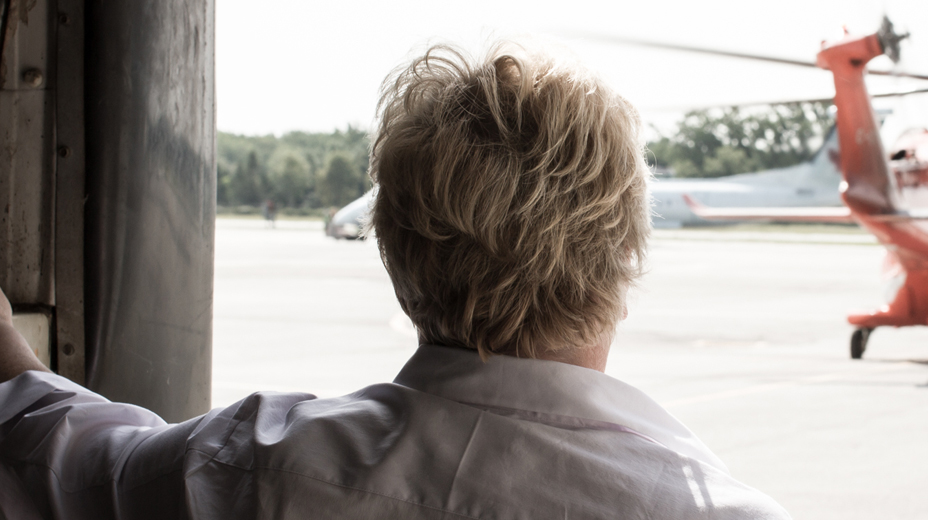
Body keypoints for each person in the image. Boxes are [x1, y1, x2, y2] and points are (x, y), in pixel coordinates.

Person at [0, 42, 792, 519]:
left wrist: (14, 357)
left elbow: (71, 456)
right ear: (625, 261)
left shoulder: (260, 468)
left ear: (397, 259)